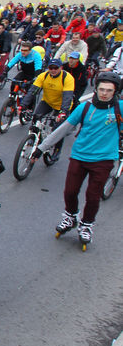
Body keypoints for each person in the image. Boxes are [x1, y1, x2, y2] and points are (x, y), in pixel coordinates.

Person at [33, 72, 123, 246]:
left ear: (115, 92)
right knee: (70, 191)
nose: (104, 93)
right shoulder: (85, 108)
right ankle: (71, 217)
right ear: (95, 89)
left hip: (103, 160)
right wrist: (41, 148)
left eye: (109, 90)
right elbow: (64, 128)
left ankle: (86, 224)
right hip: (79, 156)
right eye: (101, 89)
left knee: (93, 196)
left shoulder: (119, 108)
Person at [20, 58, 74, 123]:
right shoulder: (43, 76)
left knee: (58, 129)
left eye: (56, 68)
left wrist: (63, 112)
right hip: (47, 102)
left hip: (61, 105)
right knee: (35, 119)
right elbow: (32, 91)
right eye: (51, 68)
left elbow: (67, 96)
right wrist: (22, 105)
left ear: (61, 68)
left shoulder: (68, 78)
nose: (53, 70)